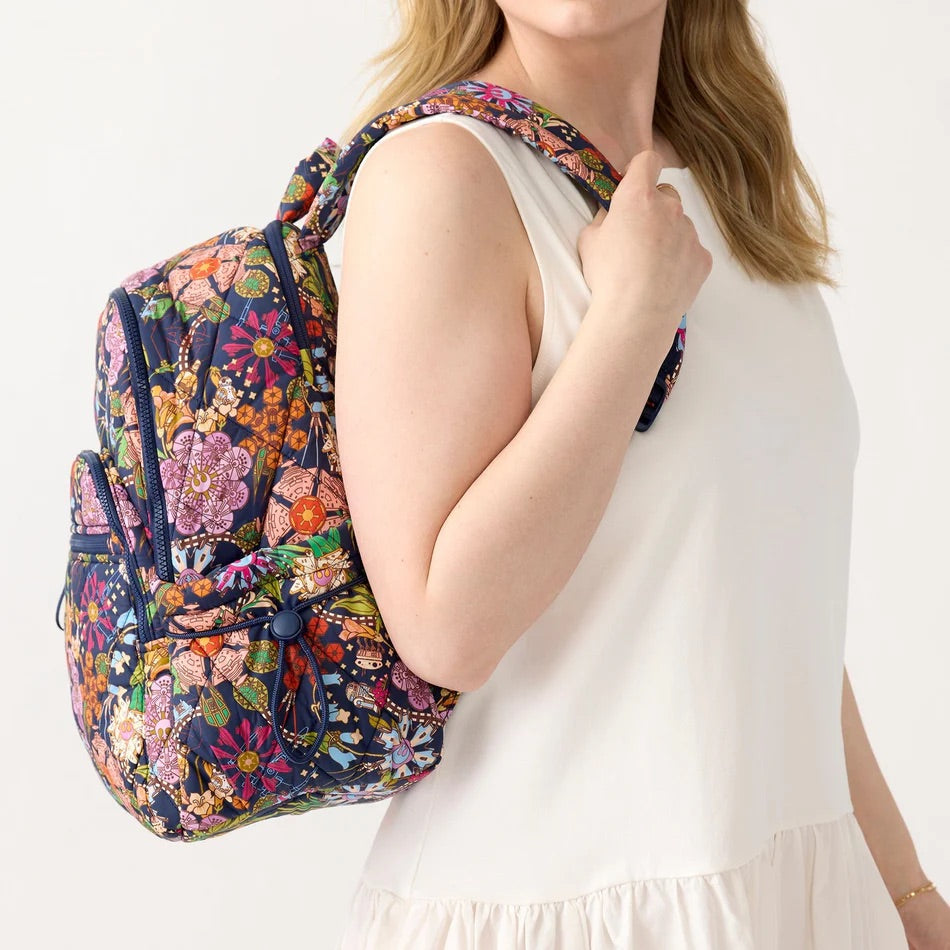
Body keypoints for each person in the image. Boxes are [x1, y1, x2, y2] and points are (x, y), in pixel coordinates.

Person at [329, 1, 947, 947]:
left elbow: (772, 605)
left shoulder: (732, 187)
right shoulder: (441, 174)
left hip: (791, 899)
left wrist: (907, 897)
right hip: (564, 910)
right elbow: (444, 628)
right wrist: (631, 320)